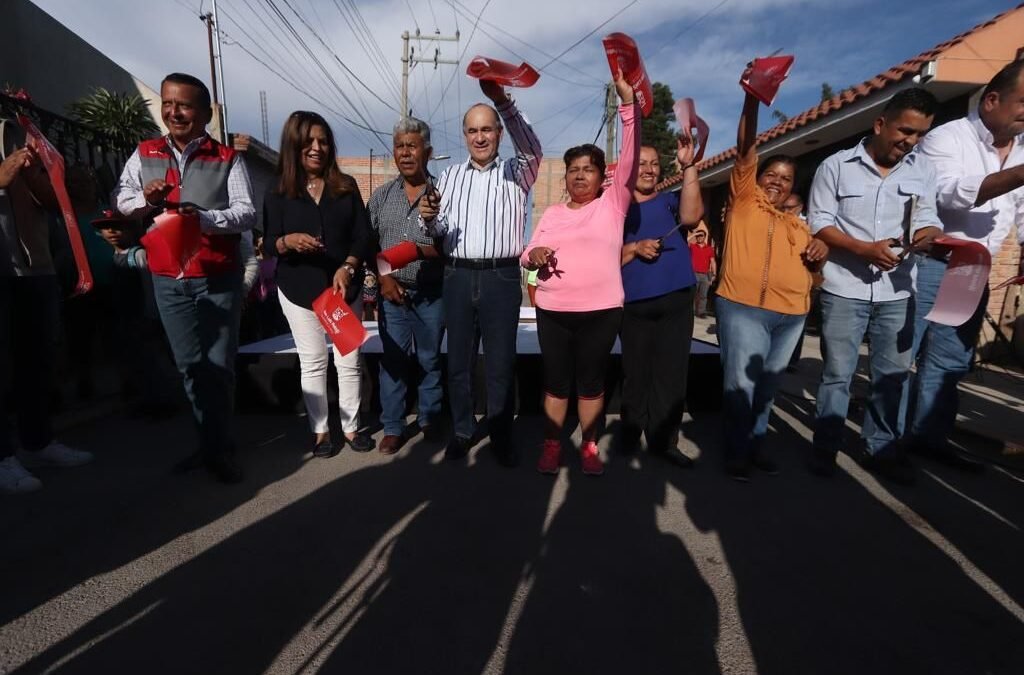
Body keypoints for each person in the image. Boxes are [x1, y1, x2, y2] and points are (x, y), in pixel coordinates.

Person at [113, 72, 255, 483]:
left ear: (205, 113)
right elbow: (122, 202)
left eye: (184, 105)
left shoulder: (228, 158)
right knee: (190, 366)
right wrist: (146, 200)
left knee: (218, 366)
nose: (174, 112)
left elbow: (246, 212)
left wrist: (206, 218)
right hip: (167, 277)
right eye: (168, 104)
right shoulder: (144, 154)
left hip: (216, 276)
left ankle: (219, 448)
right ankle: (207, 443)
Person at [808, 88, 942, 483]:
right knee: (837, 373)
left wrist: (930, 237)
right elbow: (819, 222)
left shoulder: (922, 170)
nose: (910, 141)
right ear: (880, 123)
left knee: (892, 375)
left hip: (899, 292)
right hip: (844, 288)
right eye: (905, 130)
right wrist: (863, 249)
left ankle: (880, 449)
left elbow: (929, 218)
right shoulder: (835, 166)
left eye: (920, 134)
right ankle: (825, 448)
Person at [904, 60, 1024, 470]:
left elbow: (1022, 212)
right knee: (906, 353)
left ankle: (929, 438)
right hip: (933, 263)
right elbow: (951, 196)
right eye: (1023, 102)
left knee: (950, 360)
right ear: (992, 100)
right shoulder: (946, 138)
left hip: (975, 272)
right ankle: (888, 441)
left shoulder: (1023, 149)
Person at [420, 79, 542, 467]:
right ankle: (461, 430)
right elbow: (440, 231)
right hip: (456, 274)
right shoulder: (449, 177)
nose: (479, 137)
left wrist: (502, 100)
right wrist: (430, 220)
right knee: (458, 361)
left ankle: (501, 435)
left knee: (500, 363)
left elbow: (532, 147)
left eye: (486, 128)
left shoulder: (517, 171)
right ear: (464, 135)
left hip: (501, 277)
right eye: (472, 130)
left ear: (499, 133)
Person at [521, 69, 636, 477]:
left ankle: (589, 445)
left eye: (588, 168)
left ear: (603, 175)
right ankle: (552, 445)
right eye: (573, 169)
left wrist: (628, 105)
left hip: (601, 311)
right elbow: (526, 253)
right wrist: (535, 256)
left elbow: (632, 152)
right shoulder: (551, 213)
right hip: (554, 311)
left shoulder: (613, 205)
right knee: (555, 383)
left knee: (590, 383)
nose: (580, 175)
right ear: (566, 176)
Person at [715, 70, 828, 482]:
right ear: (758, 179)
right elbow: (746, 148)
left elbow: (816, 280)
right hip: (744, 309)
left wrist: (820, 259)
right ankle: (736, 452)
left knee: (766, 389)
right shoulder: (745, 201)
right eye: (771, 175)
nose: (777, 182)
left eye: (785, 179)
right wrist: (752, 99)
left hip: (792, 316)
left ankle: (756, 444)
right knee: (740, 388)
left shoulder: (800, 227)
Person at [263, 110, 374, 457]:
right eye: (308, 141)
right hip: (297, 290)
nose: (317, 147)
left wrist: (349, 267)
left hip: (342, 290)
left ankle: (352, 426)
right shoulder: (278, 190)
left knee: (349, 359)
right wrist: (287, 242)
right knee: (313, 361)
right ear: (293, 144)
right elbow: (267, 242)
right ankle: (321, 432)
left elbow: (363, 237)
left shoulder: (346, 187)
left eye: (323, 141)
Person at [0, 118, 93, 494]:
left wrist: (57, 179)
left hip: (35, 266)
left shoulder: (17, 129)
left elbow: (54, 200)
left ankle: (36, 443)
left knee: (38, 362)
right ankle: (3, 456)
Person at [618, 139, 703, 467]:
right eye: (641, 163)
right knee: (635, 373)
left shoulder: (670, 201)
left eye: (654, 163)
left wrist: (689, 165)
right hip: (633, 302)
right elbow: (601, 255)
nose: (649, 169)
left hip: (676, 297)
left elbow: (692, 216)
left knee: (671, 373)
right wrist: (635, 248)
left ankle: (664, 440)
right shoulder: (617, 209)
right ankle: (629, 435)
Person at [368, 117, 445, 456]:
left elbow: (452, 244)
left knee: (429, 359)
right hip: (392, 293)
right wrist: (384, 277)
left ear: (427, 151)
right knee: (394, 361)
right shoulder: (382, 196)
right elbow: (366, 243)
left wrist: (421, 250)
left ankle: (429, 419)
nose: (405, 152)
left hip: (432, 292)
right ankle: (394, 427)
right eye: (399, 146)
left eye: (412, 146)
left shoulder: (444, 193)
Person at [688, 230, 716, 317]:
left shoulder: (709, 249)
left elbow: (712, 261)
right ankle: (690, 312)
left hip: (705, 275)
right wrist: (694, 234)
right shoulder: (692, 246)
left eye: (701, 236)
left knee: (703, 295)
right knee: (692, 294)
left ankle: (701, 312)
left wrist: (714, 274)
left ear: (705, 237)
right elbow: (686, 239)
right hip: (694, 273)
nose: (700, 237)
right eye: (698, 236)